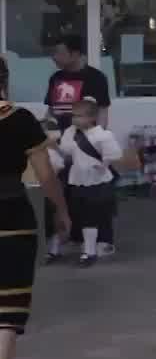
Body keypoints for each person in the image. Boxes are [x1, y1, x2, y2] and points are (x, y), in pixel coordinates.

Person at [0, 56, 69, 359]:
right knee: (8, 312)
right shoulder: (22, 120)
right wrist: (61, 210)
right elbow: (45, 176)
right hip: (12, 217)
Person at [41, 34, 108, 262]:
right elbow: (50, 111)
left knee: (88, 198)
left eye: (59, 52)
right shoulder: (55, 78)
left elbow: (102, 114)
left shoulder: (96, 78)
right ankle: (55, 244)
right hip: (58, 147)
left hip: (84, 148)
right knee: (53, 196)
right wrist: (48, 137)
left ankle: (95, 244)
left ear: (75, 53)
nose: (55, 57)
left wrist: (95, 144)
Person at [49, 98, 121, 268]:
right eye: (74, 116)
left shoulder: (103, 135)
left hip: (98, 182)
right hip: (77, 181)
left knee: (92, 216)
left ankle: (90, 252)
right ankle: (86, 248)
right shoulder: (70, 132)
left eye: (80, 116)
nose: (75, 119)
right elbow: (66, 151)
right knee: (80, 215)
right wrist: (53, 145)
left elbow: (114, 154)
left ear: (92, 117)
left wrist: (102, 165)